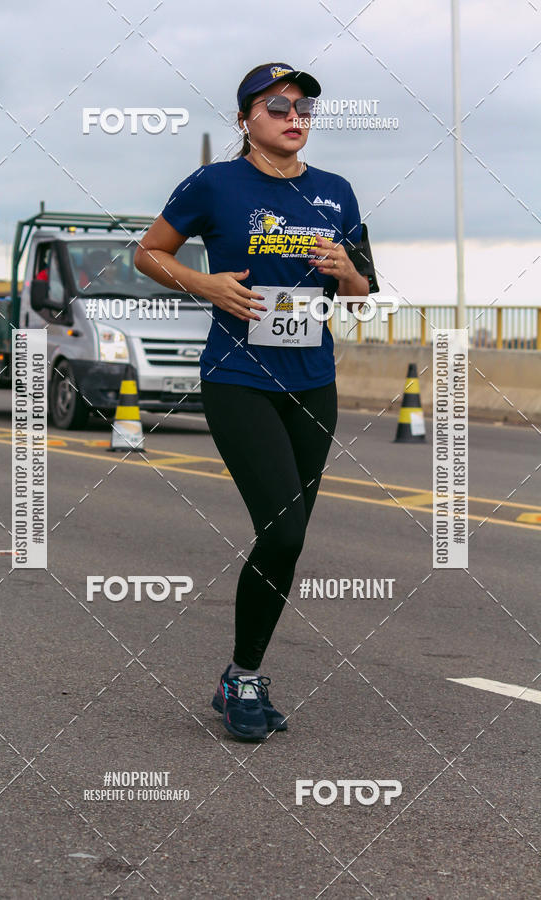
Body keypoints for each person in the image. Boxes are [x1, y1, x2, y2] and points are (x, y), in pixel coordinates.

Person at [134, 62, 378, 741]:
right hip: (239, 379)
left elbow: (365, 292)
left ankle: (240, 673)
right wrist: (205, 284)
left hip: (313, 384)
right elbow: (148, 253)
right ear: (245, 119)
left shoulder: (337, 191)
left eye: (304, 108)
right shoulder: (215, 183)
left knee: (284, 543)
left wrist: (347, 273)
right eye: (277, 106)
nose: (294, 117)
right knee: (284, 531)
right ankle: (244, 681)